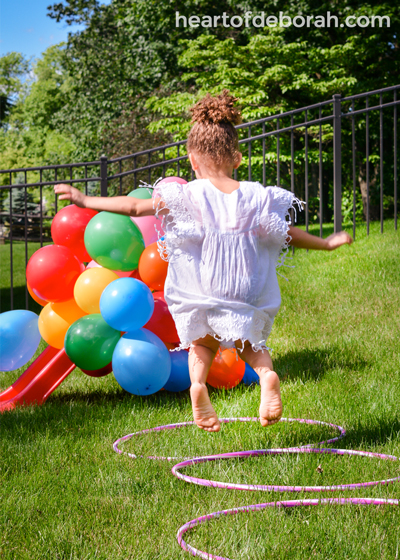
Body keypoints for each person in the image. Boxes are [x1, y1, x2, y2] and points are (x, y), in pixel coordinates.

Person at [54, 90, 352, 433]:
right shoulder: (255, 195)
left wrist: (85, 198)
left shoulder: (187, 194)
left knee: (202, 344)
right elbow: (286, 233)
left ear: (192, 161)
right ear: (237, 159)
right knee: (250, 344)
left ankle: (198, 386)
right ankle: (268, 375)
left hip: (204, 284)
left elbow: (135, 207)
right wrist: (326, 243)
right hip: (244, 285)